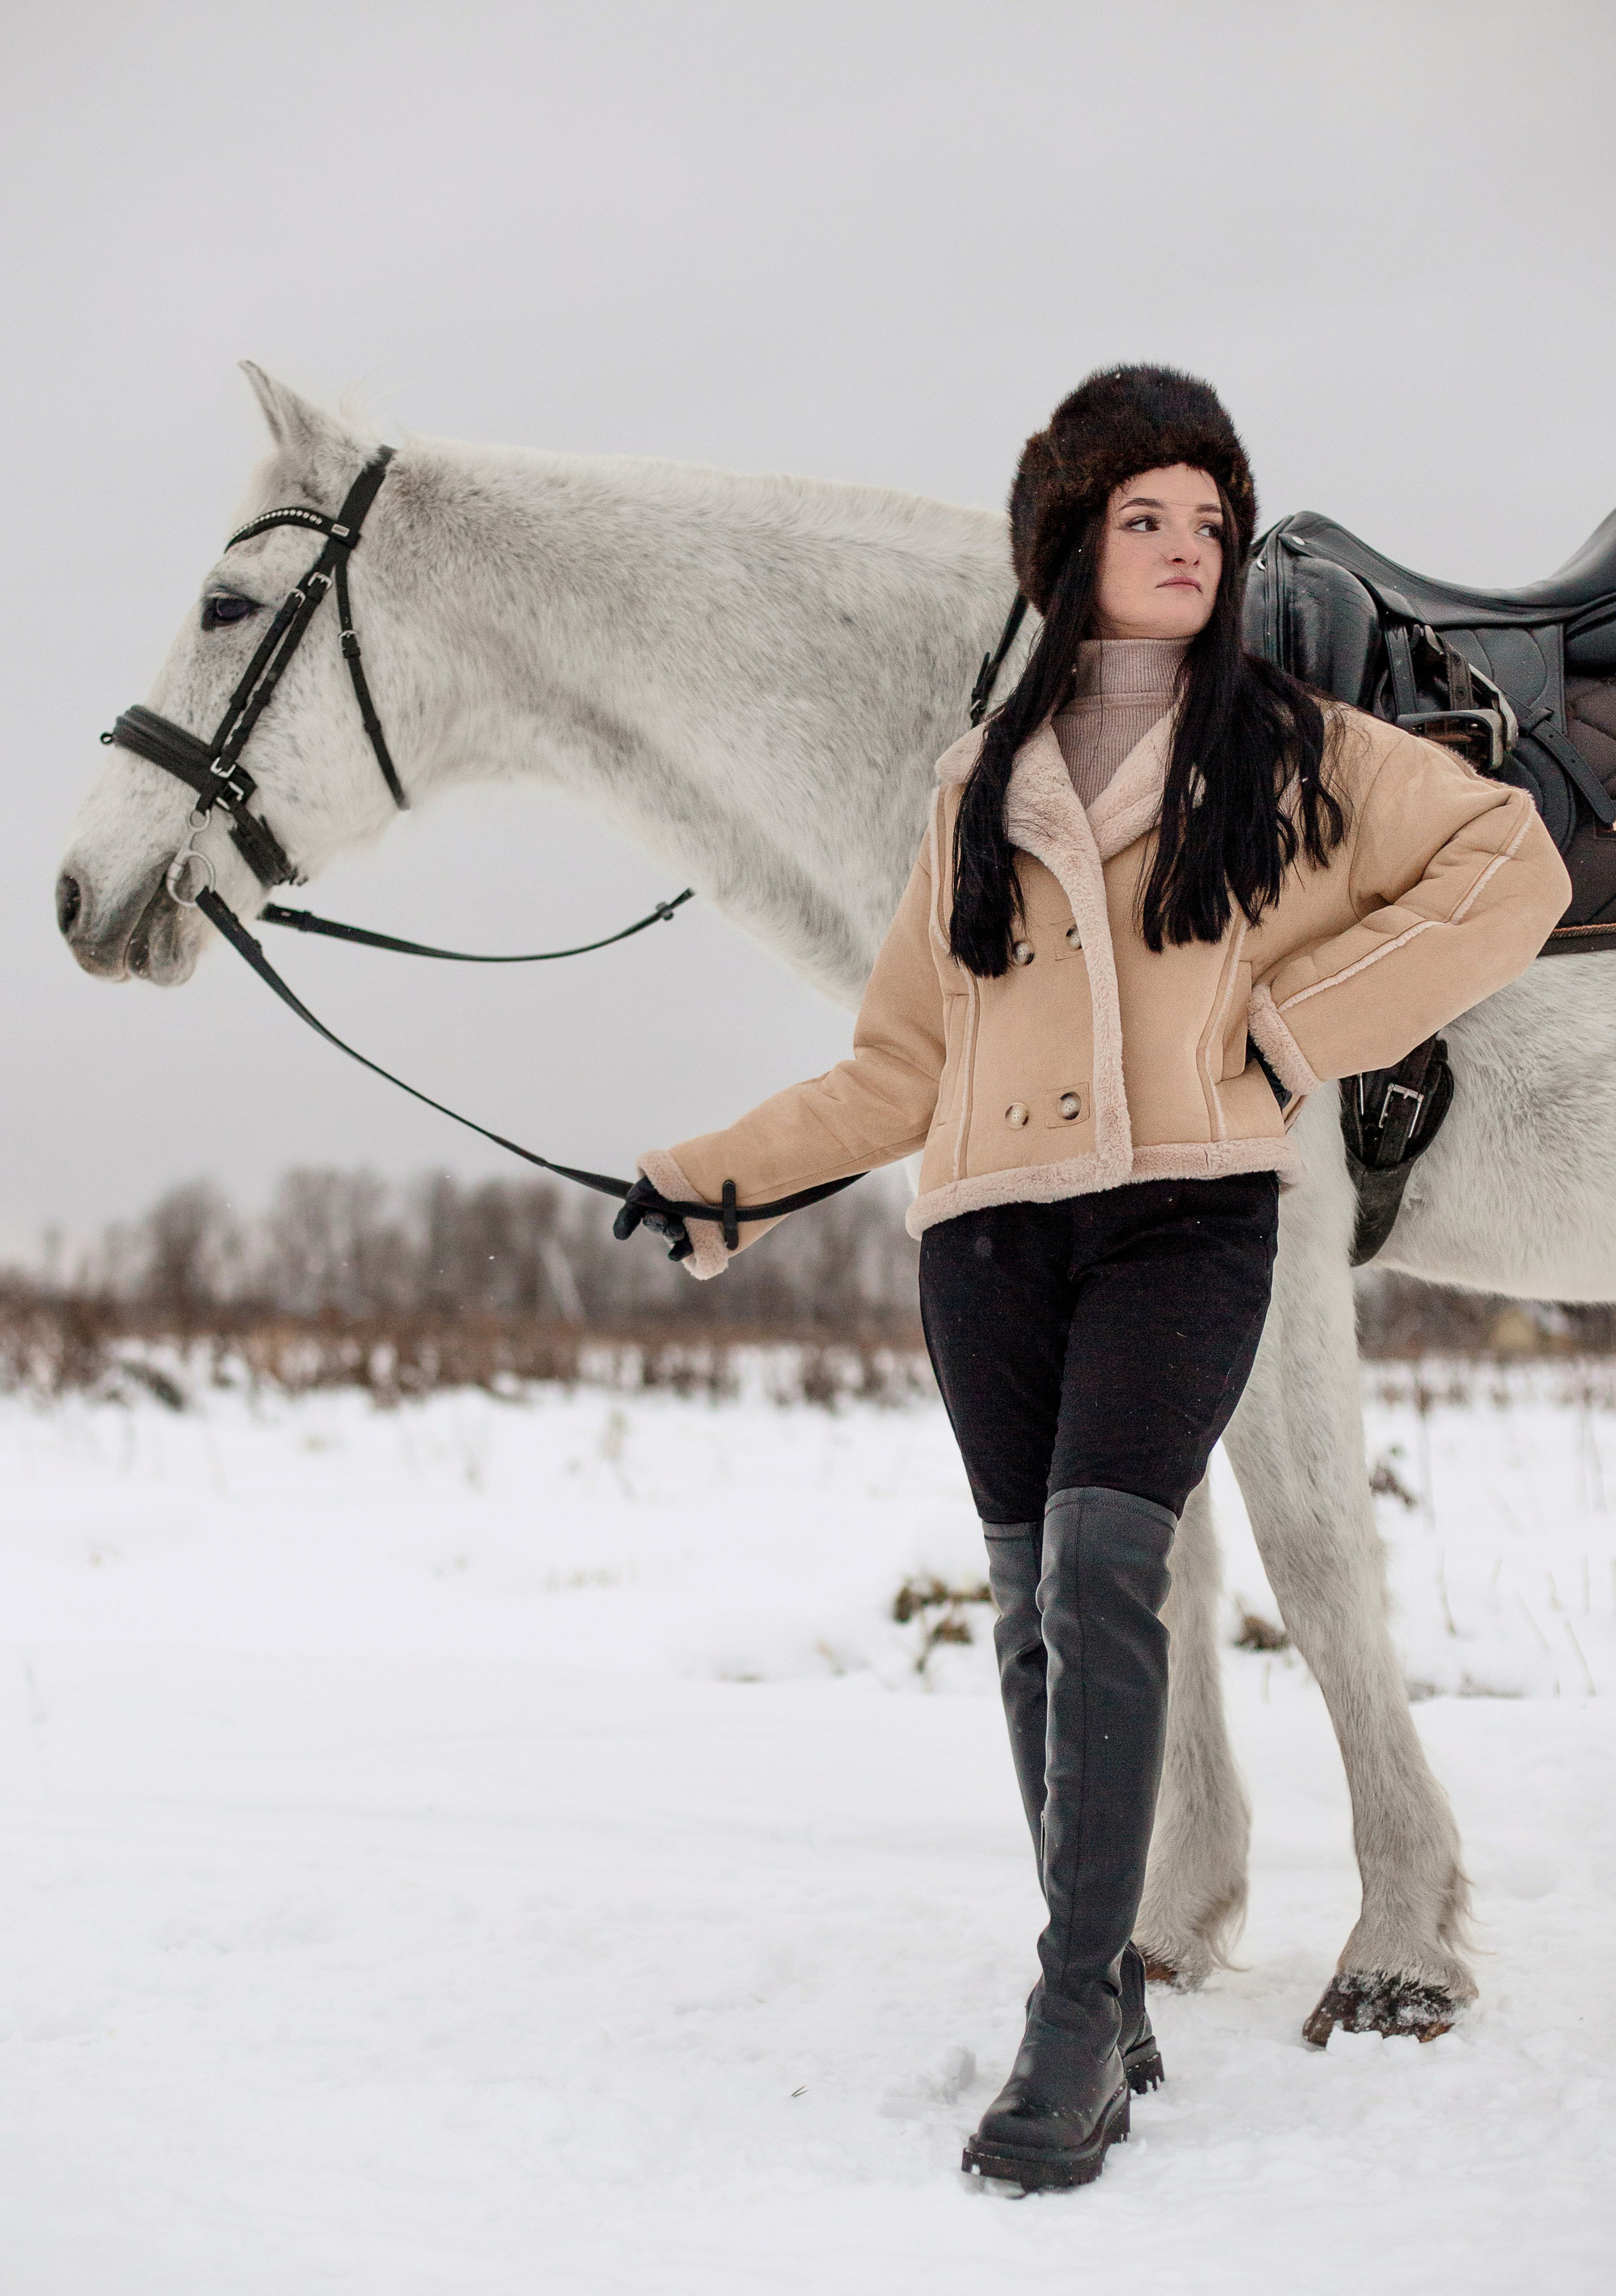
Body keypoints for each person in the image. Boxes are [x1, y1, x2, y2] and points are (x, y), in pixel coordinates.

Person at [614, 365, 1571, 2193]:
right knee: (1040, 1604)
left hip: (1187, 1219)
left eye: (1212, 519)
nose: (1194, 547)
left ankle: (1074, 2019)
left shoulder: (1290, 746)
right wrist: (715, 1178)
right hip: (988, 1231)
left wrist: (1301, 1026)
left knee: (1115, 1565)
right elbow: (900, 1065)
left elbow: (1504, 863)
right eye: (1151, 517)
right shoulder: (976, 785)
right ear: (1071, 545)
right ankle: (1113, 1978)